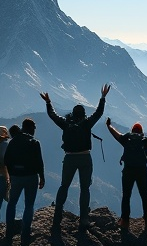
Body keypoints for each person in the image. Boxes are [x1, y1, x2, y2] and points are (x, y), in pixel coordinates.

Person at [40, 84, 111, 230]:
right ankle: (84, 219)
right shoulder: (87, 123)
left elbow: (52, 115)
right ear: (83, 114)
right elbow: (98, 113)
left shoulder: (66, 123)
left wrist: (48, 102)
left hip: (69, 158)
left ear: (72, 113)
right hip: (85, 158)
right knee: (85, 188)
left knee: (64, 186)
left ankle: (57, 217)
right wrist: (103, 97)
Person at [4, 118, 45, 245]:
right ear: (31, 128)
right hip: (31, 176)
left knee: (12, 203)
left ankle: (9, 231)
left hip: (16, 176)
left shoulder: (12, 142)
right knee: (29, 205)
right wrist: (42, 177)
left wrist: (11, 174)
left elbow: (6, 161)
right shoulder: (34, 142)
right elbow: (39, 162)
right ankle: (25, 234)